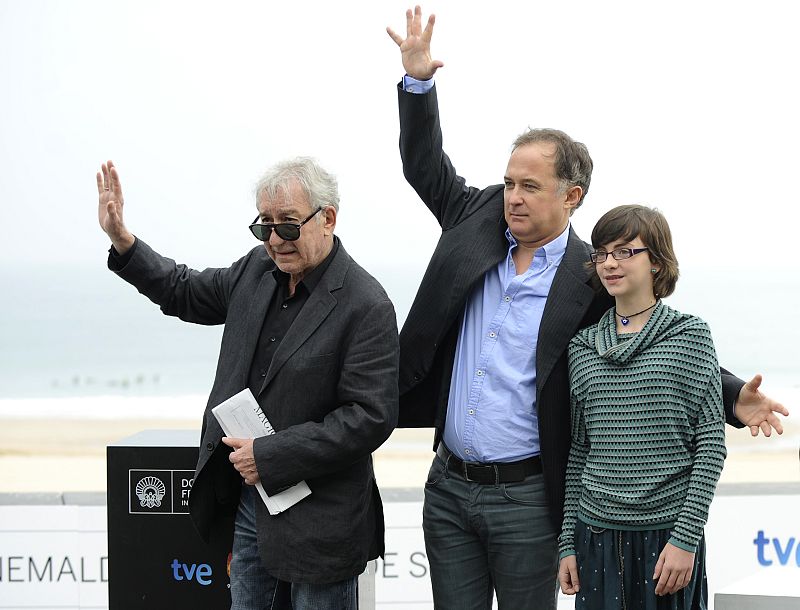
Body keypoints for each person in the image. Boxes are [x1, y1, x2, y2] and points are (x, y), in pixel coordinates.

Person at [386, 6, 788, 609]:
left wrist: (733, 397)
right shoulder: (473, 218)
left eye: (529, 186)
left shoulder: (590, 276)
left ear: (572, 196)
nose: (512, 198)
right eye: (509, 182)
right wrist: (418, 82)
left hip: (527, 496)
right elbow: (423, 165)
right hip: (447, 486)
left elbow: (653, 328)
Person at [96, 157, 399, 610]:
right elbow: (184, 290)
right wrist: (124, 242)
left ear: (328, 218)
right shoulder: (254, 271)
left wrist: (270, 456)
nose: (276, 240)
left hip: (323, 523)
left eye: (289, 227)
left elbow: (369, 419)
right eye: (265, 226)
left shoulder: (366, 303)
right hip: (248, 508)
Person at [558, 205, 725, 608]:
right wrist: (567, 541)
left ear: (657, 262)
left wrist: (686, 538)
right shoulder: (581, 348)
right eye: (601, 253)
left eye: (625, 251)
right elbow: (580, 451)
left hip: (667, 538)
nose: (610, 263)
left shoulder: (691, 337)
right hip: (594, 535)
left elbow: (711, 445)